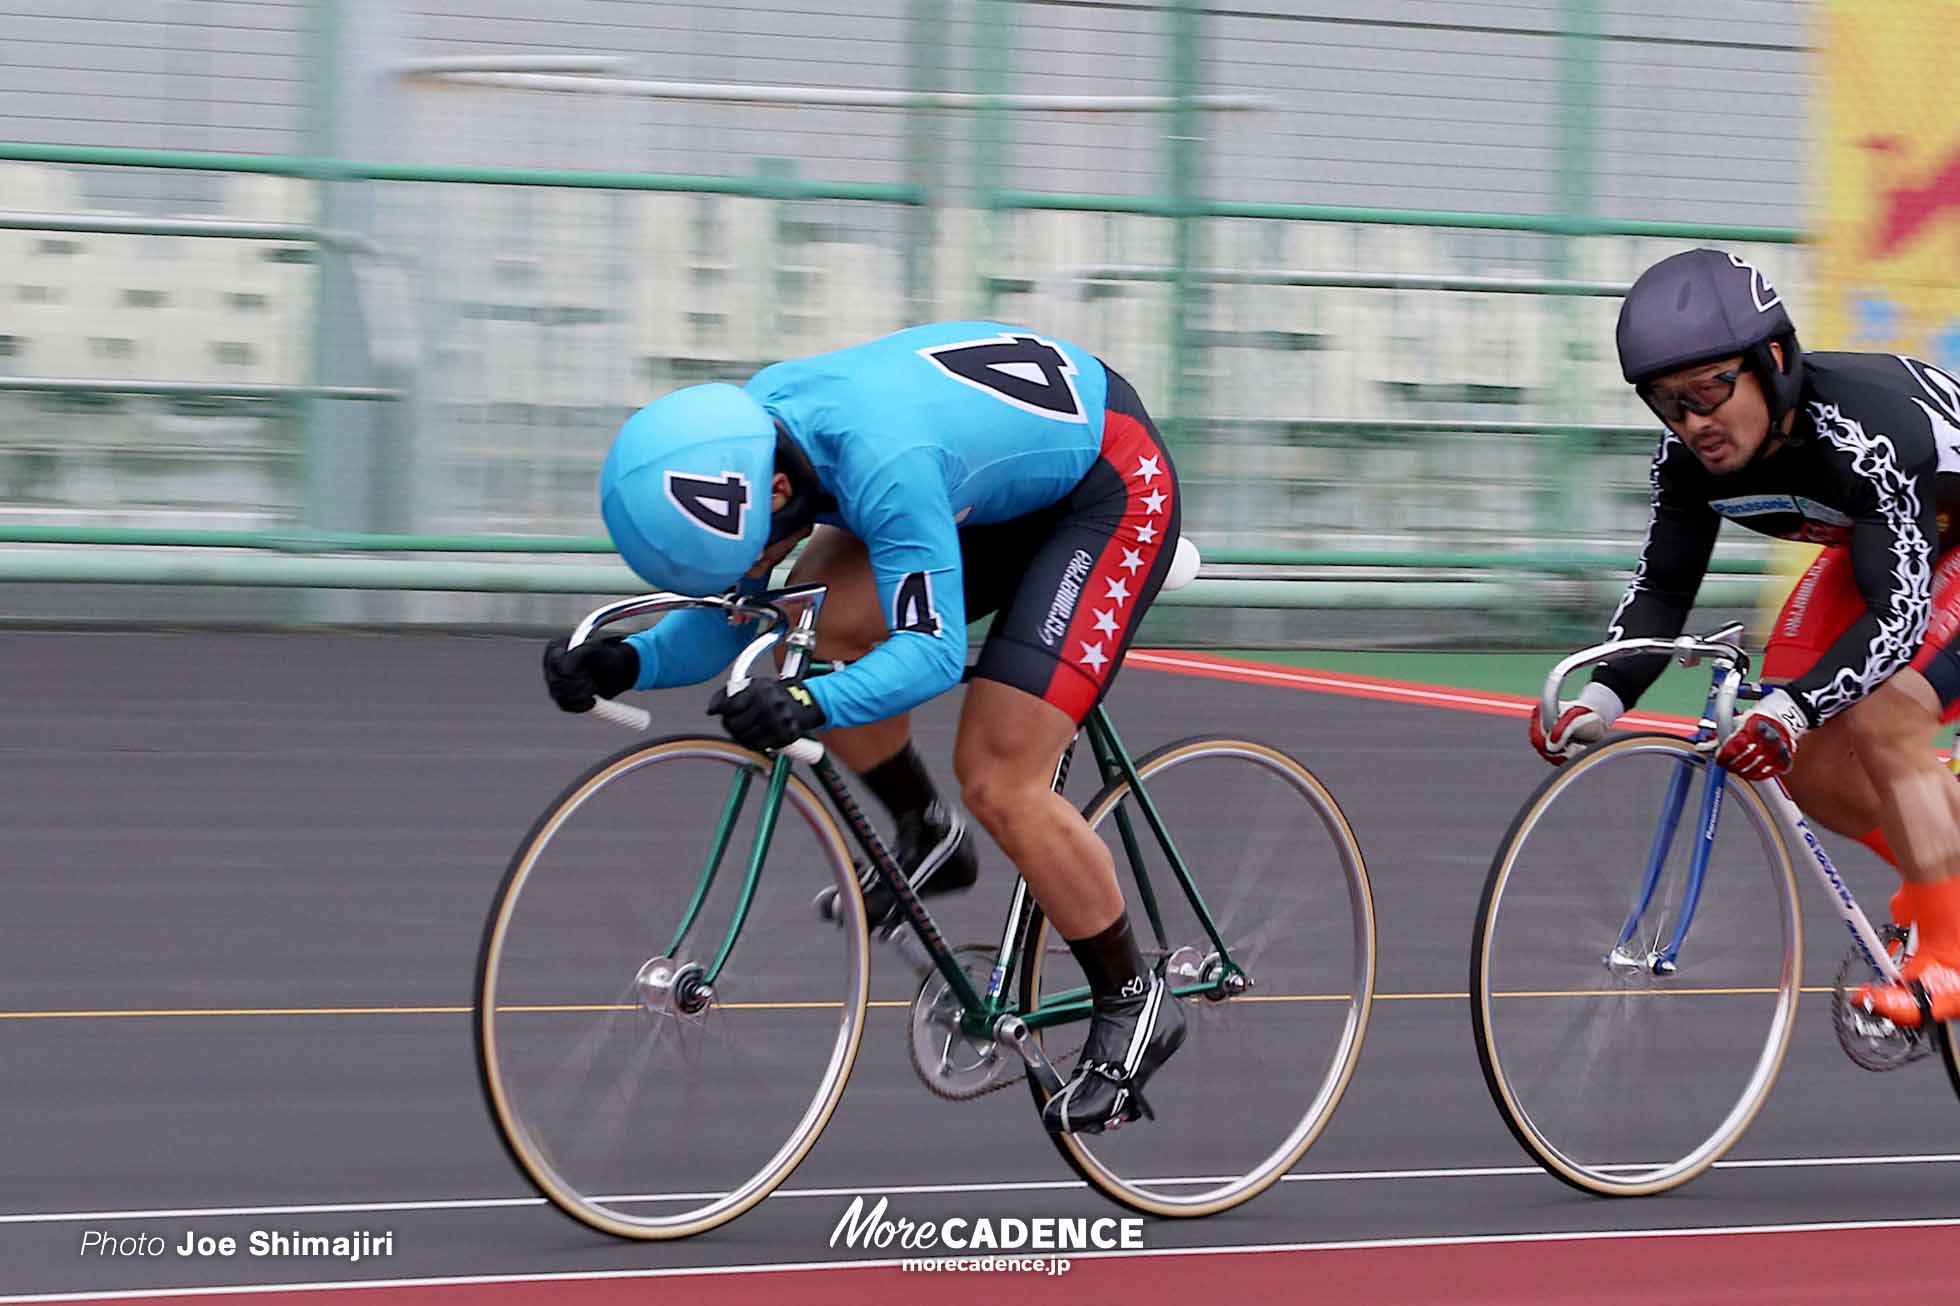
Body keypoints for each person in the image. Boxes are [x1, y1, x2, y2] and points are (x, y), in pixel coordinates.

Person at [542, 322, 1186, 1133]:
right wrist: (626, 663)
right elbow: (744, 619)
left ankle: (1135, 1000)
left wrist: (815, 708)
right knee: (809, 641)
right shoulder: (750, 442)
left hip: (1105, 489)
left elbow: (931, 648)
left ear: (778, 494)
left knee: (999, 775)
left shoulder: (877, 463)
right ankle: (927, 834)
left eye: (749, 552)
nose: (749, 569)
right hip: (975, 483)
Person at [1530, 247, 1960, 1028]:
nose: (1695, 423)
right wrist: (1597, 698)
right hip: (1899, 543)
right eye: (1668, 403)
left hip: (1923, 539)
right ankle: (1948, 877)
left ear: (1774, 362)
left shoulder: (1868, 433)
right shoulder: (1688, 462)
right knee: (1810, 766)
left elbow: (1896, 617)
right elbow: (1663, 590)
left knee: (1881, 711)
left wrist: (1793, 709)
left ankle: (1951, 947)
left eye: (1710, 391)